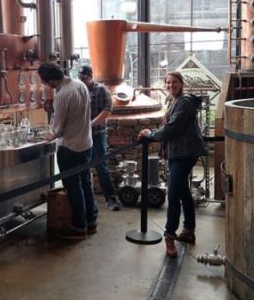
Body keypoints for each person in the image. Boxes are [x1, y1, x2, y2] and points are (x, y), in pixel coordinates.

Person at [137, 71, 207, 258]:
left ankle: (169, 236)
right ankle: (189, 231)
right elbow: (169, 126)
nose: (170, 85)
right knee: (182, 191)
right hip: (178, 152)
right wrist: (151, 132)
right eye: (168, 82)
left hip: (185, 153)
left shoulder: (184, 102)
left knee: (174, 193)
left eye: (174, 82)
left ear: (181, 83)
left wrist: (151, 135)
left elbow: (173, 127)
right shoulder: (173, 100)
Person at [38, 62, 97, 240]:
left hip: (69, 147)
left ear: (50, 80)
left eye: (44, 82)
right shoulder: (80, 85)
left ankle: (79, 227)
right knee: (85, 182)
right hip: (86, 143)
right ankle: (91, 220)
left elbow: (58, 130)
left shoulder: (62, 95)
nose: (44, 85)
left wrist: (47, 135)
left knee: (73, 188)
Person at [78, 65, 122, 211]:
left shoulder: (101, 89)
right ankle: (85, 199)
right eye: (80, 77)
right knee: (81, 167)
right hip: (81, 135)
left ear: (91, 75)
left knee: (101, 167)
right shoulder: (79, 90)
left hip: (97, 134)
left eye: (84, 77)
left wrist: (91, 124)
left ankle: (111, 199)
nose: (82, 80)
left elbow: (107, 110)